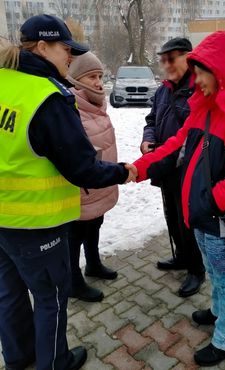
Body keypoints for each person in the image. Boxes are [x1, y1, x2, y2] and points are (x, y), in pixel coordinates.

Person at [127, 31, 225, 366]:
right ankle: (217, 312)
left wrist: (209, 201)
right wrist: (138, 168)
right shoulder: (205, 108)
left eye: (200, 74)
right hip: (202, 218)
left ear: (219, 70)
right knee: (214, 271)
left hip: (222, 221)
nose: (195, 82)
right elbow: (172, 145)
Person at [0, 14, 133, 370]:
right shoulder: (48, 97)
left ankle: (18, 358)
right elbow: (81, 167)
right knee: (51, 299)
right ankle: (55, 362)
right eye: (65, 49)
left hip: (2, 222)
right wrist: (124, 172)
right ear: (42, 47)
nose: (70, 58)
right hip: (37, 223)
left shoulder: (2, 83)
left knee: (10, 294)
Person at [140, 37, 205, 297]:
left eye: (172, 58)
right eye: (163, 59)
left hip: (188, 169)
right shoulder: (163, 90)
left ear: (189, 57)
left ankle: (196, 269)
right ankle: (180, 256)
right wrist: (148, 138)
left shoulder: (199, 87)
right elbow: (152, 119)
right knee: (171, 216)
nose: (166, 64)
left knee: (187, 221)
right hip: (164, 166)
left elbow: (197, 134)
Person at [66, 52, 119, 302]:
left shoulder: (96, 105)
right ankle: (73, 281)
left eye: (99, 76)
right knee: (74, 236)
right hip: (81, 190)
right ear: (76, 81)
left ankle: (94, 264)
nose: (98, 82)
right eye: (91, 77)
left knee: (95, 224)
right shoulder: (71, 110)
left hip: (99, 183)